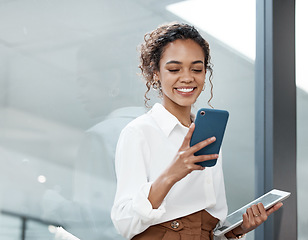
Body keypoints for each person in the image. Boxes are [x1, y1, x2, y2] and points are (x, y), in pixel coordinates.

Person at [111, 22, 282, 240]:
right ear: (155, 73)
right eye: (174, 69)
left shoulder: (209, 137)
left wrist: (237, 229)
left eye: (196, 69)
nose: (187, 78)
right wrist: (172, 173)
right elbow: (124, 221)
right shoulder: (139, 132)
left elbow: (215, 224)